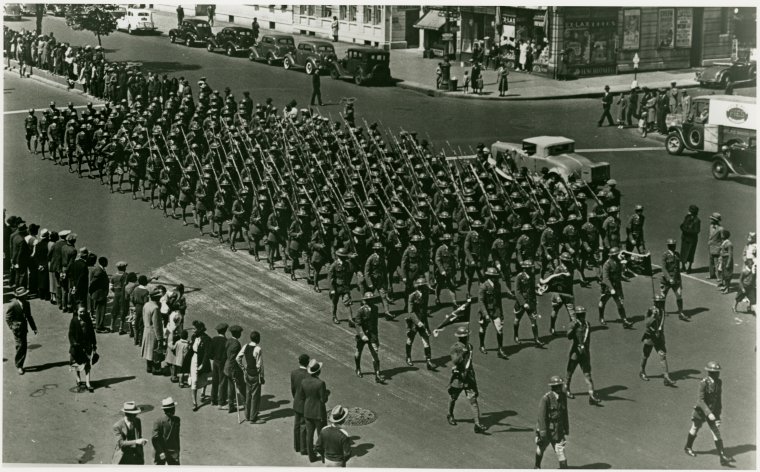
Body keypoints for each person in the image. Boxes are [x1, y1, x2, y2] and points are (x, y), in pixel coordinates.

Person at [684, 361, 734, 466]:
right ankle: (688, 447)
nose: (718, 374)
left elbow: (718, 399)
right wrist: (708, 413)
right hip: (701, 411)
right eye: (715, 372)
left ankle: (722, 456)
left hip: (713, 411)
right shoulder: (703, 382)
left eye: (718, 372)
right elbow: (700, 400)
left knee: (716, 432)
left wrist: (718, 415)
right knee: (695, 427)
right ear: (710, 373)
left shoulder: (719, 382)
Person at [446, 326, 487, 433]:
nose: (465, 338)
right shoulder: (455, 348)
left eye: (466, 336)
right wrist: (462, 353)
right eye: (464, 336)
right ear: (460, 337)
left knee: (473, 400)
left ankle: (477, 424)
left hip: (468, 377)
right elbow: (455, 361)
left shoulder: (470, 346)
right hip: (458, 377)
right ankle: (450, 414)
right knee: (453, 397)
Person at [564, 306, 601, 405]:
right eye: (580, 315)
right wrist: (574, 327)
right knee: (569, 372)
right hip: (575, 353)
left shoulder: (587, 325)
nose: (582, 316)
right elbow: (569, 336)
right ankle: (566, 389)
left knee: (588, 375)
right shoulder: (573, 324)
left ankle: (592, 395)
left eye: (583, 314)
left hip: (584, 353)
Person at [639, 295, 676, 386]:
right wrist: (653, 316)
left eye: (662, 302)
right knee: (645, 355)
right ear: (655, 303)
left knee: (662, 355)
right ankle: (642, 371)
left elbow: (661, 324)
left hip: (659, 337)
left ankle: (666, 377)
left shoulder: (662, 311)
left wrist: (660, 333)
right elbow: (646, 324)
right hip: (650, 337)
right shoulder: (650, 310)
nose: (661, 304)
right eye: (659, 302)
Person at [535, 375, 570, 469]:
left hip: (558, 431)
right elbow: (541, 417)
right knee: (541, 448)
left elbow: (564, 413)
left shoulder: (563, 397)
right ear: (555, 387)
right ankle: (537, 466)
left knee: (561, 451)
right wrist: (542, 433)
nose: (561, 387)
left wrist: (566, 428)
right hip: (546, 430)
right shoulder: (546, 399)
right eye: (559, 385)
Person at [298, 358, 328, 461]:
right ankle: (323, 456)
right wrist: (327, 394)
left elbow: (302, 396)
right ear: (318, 371)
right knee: (321, 435)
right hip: (319, 413)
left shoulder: (304, 382)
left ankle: (311, 456)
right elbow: (323, 399)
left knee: (309, 435)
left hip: (308, 411)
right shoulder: (320, 383)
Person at [4, 287, 38, 375]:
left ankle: (20, 364)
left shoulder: (27, 304)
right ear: (20, 297)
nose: (26, 296)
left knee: (24, 346)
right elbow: (8, 317)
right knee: (20, 346)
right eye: (24, 295)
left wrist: (34, 328)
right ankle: (19, 365)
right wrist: (12, 327)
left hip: (24, 328)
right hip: (16, 329)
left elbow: (29, 316)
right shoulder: (13, 305)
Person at [354, 292, 386, 383]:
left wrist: (376, 337)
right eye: (368, 300)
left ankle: (377, 374)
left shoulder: (375, 309)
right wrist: (362, 335)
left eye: (372, 300)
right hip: (362, 335)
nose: (370, 302)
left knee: (375, 354)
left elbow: (375, 324)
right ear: (365, 301)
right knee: (358, 353)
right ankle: (358, 368)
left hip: (372, 335)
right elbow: (357, 324)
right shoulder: (361, 310)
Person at [477, 267, 508, 358]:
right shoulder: (483, 286)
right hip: (486, 311)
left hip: (495, 310)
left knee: (500, 329)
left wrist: (501, 313)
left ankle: (500, 349)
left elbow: (499, 300)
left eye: (496, 276)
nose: (495, 278)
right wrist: (485, 314)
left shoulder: (498, 285)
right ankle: (482, 345)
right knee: (483, 328)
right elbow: (481, 301)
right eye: (493, 276)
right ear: (489, 276)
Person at [236, 330, 264, 422]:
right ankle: (253, 418)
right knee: (255, 396)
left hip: (247, 373)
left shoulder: (245, 346)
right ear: (258, 339)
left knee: (248, 395)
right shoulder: (258, 349)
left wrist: (243, 368)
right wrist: (261, 377)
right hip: (255, 375)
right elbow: (259, 365)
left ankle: (247, 415)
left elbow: (238, 358)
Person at [69, 302, 97, 392]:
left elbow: (92, 332)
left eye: (84, 312)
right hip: (77, 346)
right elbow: (70, 334)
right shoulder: (74, 320)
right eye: (81, 312)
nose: (82, 313)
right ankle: (78, 379)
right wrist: (73, 343)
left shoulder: (88, 320)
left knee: (87, 365)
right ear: (77, 311)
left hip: (87, 345)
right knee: (77, 364)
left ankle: (88, 382)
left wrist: (94, 344)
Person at [189, 320, 212, 411]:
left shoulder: (206, 339)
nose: (193, 330)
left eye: (194, 329)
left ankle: (203, 393)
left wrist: (203, 364)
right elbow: (192, 349)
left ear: (199, 329)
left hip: (203, 360)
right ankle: (194, 403)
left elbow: (207, 353)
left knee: (204, 378)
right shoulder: (194, 337)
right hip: (194, 359)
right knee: (194, 381)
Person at [291, 353, 311, 455]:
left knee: (296, 425)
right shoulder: (309, 375)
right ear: (308, 363)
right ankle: (304, 448)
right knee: (304, 426)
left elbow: (293, 389)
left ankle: (297, 446)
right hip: (305, 403)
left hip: (297, 401)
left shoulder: (294, 373)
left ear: (299, 361)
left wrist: (296, 398)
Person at [141, 287, 164, 374]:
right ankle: (156, 369)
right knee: (155, 351)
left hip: (146, 330)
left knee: (148, 350)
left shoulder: (146, 304)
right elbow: (157, 325)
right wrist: (160, 338)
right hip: (153, 332)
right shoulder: (155, 308)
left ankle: (149, 367)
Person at [152, 397, 181, 465]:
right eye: (173, 408)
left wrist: (177, 450)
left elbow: (176, 436)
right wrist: (161, 452)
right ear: (169, 410)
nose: (174, 410)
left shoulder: (177, 420)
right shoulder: (158, 422)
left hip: (173, 452)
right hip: (161, 451)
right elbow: (155, 439)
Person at [223, 325, 245, 413]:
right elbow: (234, 359)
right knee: (241, 386)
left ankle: (231, 405)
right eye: (240, 333)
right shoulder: (237, 344)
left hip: (227, 367)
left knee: (231, 387)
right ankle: (246, 405)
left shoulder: (228, 341)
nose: (240, 334)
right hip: (233, 368)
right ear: (237, 333)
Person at [209, 323, 228, 407]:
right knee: (222, 382)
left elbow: (210, 353)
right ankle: (221, 400)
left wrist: (214, 358)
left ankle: (213, 400)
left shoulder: (214, 339)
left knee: (215, 381)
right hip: (223, 363)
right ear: (225, 331)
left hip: (215, 361)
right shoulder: (226, 341)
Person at [89, 256, 110, 332]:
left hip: (98, 294)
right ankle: (99, 326)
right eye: (106, 262)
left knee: (99, 310)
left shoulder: (98, 269)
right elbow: (93, 282)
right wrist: (91, 290)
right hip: (100, 294)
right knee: (101, 311)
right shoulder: (100, 271)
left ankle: (99, 325)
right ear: (103, 262)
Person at [679, 205, 701, 273]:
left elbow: (696, 231)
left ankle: (689, 268)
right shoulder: (687, 217)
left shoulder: (697, 220)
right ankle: (683, 266)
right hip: (685, 238)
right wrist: (683, 228)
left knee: (691, 253)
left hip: (692, 239)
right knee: (683, 252)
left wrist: (686, 231)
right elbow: (683, 225)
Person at [707, 212, 724, 280]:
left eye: (711, 219)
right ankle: (712, 274)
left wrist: (721, 247)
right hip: (710, 246)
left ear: (715, 220)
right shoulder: (710, 226)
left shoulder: (721, 229)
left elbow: (722, 238)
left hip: (717, 247)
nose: (710, 220)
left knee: (717, 262)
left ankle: (718, 276)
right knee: (710, 261)